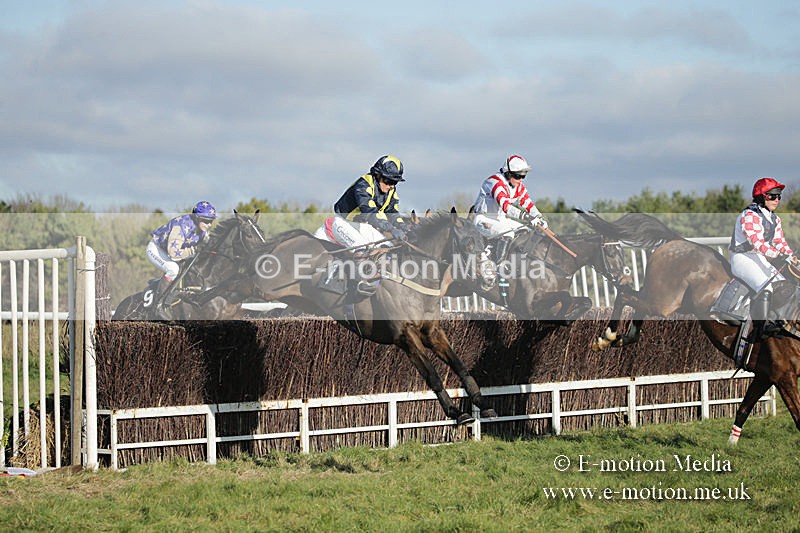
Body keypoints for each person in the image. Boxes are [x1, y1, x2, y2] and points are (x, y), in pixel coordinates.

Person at [319, 155, 413, 296]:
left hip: (362, 226)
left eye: (394, 182)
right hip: (341, 223)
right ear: (377, 175)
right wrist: (392, 229)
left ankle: (384, 279)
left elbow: (393, 213)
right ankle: (360, 282)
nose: (390, 186)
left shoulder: (391, 192)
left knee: (388, 246)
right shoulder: (363, 185)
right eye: (388, 181)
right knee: (362, 247)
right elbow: (370, 214)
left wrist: (405, 228)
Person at [729, 177, 797, 339]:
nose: (777, 200)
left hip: (758, 258)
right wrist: (779, 255)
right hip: (742, 258)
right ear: (761, 197)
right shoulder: (749, 215)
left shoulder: (775, 219)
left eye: (779, 196)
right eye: (772, 196)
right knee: (766, 287)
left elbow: (780, 242)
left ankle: (778, 322)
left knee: (783, 286)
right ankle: (761, 328)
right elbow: (757, 243)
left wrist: (791, 256)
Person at [146, 200, 218, 317]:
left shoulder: (203, 230)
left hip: (172, 252)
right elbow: (174, 254)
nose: (209, 225)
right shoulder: (180, 226)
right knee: (173, 269)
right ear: (197, 218)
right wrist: (194, 250)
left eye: (211, 221)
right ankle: (158, 305)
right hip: (156, 249)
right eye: (206, 221)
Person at [473, 154, 548, 263]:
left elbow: (528, 204)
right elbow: (506, 206)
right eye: (518, 176)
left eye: (524, 175)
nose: (521, 179)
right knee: (507, 233)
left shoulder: (518, 186)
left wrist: (539, 217)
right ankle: (499, 267)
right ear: (508, 174)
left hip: (501, 220)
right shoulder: (494, 182)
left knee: (526, 231)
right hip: (483, 220)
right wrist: (527, 217)